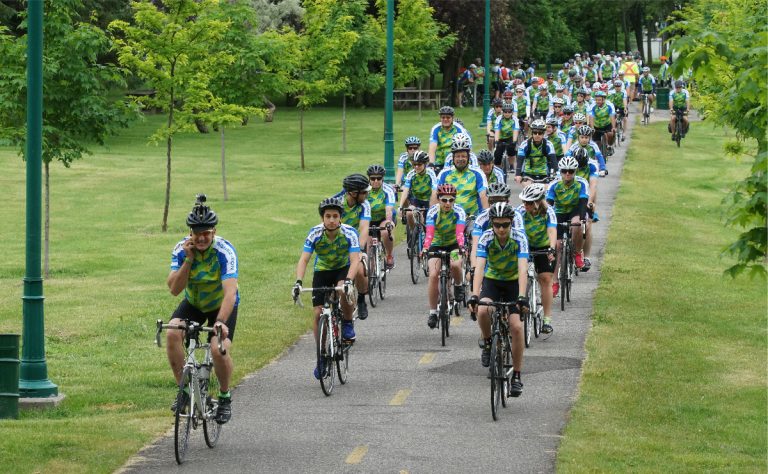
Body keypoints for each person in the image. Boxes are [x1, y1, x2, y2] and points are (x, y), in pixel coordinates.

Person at [167, 194, 238, 424]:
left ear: (214, 232)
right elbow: (175, 289)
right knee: (172, 333)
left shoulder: (224, 251)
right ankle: (185, 391)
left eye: (206, 232)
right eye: (197, 233)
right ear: (190, 233)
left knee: (218, 349)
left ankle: (225, 397)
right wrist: (188, 260)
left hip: (221, 305)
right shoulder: (181, 249)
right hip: (195, 303)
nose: (202, 237)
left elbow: (230, 292)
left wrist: (220, 322)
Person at [293, 197, 360, 379]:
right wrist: (298, 282)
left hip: (342, 268)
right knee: (317, 313)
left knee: (342, 289)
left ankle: (347, 322)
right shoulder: (315, 233)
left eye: (335, 216)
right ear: (322, 218)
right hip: (322, 270)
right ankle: (321, 354)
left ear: (340, 218)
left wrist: (348, 281)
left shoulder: (349, 232)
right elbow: (304, 259)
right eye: (328, 216)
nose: (331, 220)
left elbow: (355, 260)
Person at [467, 202, 528, 397]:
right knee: (483, 310)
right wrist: (475, 295)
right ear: (491, 224)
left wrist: (521, 297)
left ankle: (517, 375)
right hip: (492, 280)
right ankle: (487, 342)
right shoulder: (486, 238)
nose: (501, 229)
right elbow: (479, 268)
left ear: (511, 223)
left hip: (513, 283)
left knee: (516, 327)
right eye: (497, 225)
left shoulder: (519, 238)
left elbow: (522, 269)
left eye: (505, 225)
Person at [422, 184, 467, 329]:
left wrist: (461, 247)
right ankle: (433, 312)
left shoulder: (459, 211)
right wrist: (425, 248)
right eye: (444, 200)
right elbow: (429, 233)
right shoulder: (432, 212)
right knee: (433, 275)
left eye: (451, 200)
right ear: (438, 199)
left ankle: (459, 286)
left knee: (455, 264)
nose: (447, 203)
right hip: (436, 243)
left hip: (454, 244)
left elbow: (460, 233)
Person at [516, 184, 556, 334]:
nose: (525, 205)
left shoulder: (548, 212)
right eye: (524, 202)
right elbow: (516, 231)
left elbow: (552, 230)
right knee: (520, 276)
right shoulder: (519, 212)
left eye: (529, 202)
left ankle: (547, 319)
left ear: (538, 202)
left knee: (545, 278)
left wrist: (551, 248)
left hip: (543, 247)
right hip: (526, 248)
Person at [547, 157, 589, 298]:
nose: (567, 174)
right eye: (564, 171)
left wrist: (582, 219)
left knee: (577, 224)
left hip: (575, 210)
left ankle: (577, 253)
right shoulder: (554, 184)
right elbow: (549, 205)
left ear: (575, 171)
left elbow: (583, 202)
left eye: (570, 171)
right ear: (560, 171)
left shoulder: (582, 183)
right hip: (559, 212)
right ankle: (555, 281)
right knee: (557, 246)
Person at [332, 174, 372, 319]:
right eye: (364, 192)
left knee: (360, 271)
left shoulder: (364, 204)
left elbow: (364, 229)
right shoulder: (336, 203)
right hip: (337, 244)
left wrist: (360, 250)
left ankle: (361, 298)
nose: (367, 194)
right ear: (353, 193)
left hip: (355, 243)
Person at [438, 133, 489, 218]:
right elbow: (435, 195)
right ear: (453, 158)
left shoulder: (478, 173)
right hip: (450, 219)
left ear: (469, 157)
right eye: (457, 156)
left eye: (463, 156)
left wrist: (485, 218)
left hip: (472, 218)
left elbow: (483, 196)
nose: (460, 159)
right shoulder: (444, 174)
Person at [366, 164, 397, 269]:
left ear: (383, 178)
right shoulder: (365, 190)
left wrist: (388, 222)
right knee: (368, 246)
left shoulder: (387, 190)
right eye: (372, 178)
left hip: (384, 218)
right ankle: (372, 272)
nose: (375, 181)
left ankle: (389, 255)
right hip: (369, 220)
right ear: (369, 178)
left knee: (385, 232)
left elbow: (389, 208)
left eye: (378, 178)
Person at [399, 150, 438, 232]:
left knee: (429, 224)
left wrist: (432, 207)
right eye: (414, 164)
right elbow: (405, 190)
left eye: (419, 164)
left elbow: (434, 191)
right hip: (416, 200)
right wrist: (400, 206)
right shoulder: (411, 174)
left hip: (428, 200)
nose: (416, 167)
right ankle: (414, 232)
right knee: (409, 213)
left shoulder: (431, 174)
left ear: (425, 164)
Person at [515, 119, 556, 185]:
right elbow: (520, 161)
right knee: (528, 189)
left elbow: (553, 161)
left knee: (546, 191)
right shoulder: (524, 144)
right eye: (535, 132)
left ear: (543, 134)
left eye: (540, 133)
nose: (537, 135)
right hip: (528, 174)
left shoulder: (549, 144)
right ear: (532, 133)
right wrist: (518, 174)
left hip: (543, 174)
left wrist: (556, 174)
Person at [428, 106, 469, 171]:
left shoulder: (459, 128)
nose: (445, 119)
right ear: (440, 118)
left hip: (454, 162)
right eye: (443, 117)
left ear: (452, 118)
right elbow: (432, 146)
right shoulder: (435, 129)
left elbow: (467, 145)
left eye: (448, 117)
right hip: (439, 162)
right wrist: (431, 163)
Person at [589, 90, 616, 156]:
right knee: (597, 142)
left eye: (599, 100)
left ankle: (609, 146)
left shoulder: (609, 105)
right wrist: (592, 128)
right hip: (597, 125)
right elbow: (591, 117)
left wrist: (613, 127)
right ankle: (601, 152)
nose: (597, 101)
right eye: (596, 100)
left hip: (607, 124)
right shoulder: (593, 105)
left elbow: (612, 116)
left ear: (603, 100)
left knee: (610, 134)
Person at [494, 102, 520, 170]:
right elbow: (497, 130)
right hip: (501, 138)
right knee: (497, 154)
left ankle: (511, 165)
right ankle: (498, 170)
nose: (507, 113)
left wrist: (514, 141)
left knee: (511, 149)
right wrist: (496, 141)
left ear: (512, 112)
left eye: (509, 112)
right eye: (505, 112)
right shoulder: (499, 119)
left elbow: (515, 130)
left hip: (510, 137)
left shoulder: (515, 119)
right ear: (503, 112)